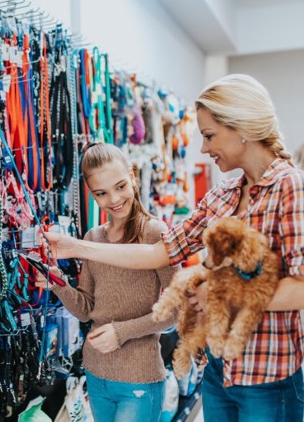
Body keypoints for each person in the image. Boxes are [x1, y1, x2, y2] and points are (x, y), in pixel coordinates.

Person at [44, 74, 304, 422]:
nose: (203, 148)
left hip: (266, 377)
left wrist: (223, 292)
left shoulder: (293, 188)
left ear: (241, 126)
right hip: (217, 370)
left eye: (209, 135)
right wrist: (77, 247)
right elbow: (158, 252)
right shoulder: (223, 195)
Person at [35, 142, 178, 422]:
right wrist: (57, 282)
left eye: (120, 186)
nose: (114, 199)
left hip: (139, 379)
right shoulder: (92, 239)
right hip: (96, 374)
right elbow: (87, 309)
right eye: (101, 193)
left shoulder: (155, 234)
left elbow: (176, 311)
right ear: (91, 194)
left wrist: (121, 332)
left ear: (133, 176)